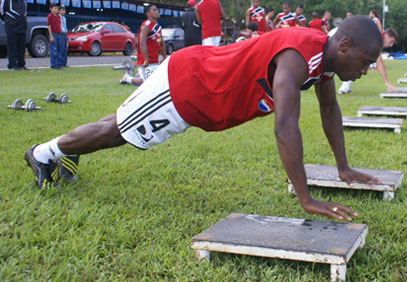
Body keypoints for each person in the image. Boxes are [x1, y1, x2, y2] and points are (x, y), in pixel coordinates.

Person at [24, 16, 383, 221]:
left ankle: (63, 152)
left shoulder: (322, 61)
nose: (366, 70)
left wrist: (343, 167)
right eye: (366, 62)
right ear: (345, 45)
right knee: (115, 131)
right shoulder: (298, 54)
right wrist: (306, 199)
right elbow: (285, 126)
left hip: (198, 92)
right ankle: (43, 153)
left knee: (118, 125)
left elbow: (328, 109)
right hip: (186, 87)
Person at [338, 27, 398, 94]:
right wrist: (386, 82)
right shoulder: (377, 39)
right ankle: (343, 88)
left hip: (345, 39)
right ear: (386, 35)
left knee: (357, 66)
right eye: (391, 41)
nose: (391, 45)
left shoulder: (377, 38)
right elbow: (380, 63)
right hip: (340, 37)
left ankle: (344, 87)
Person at [120, 5, 166, 85]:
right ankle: (127, 78)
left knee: (158, 81)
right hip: (145, 61)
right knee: (147, 83)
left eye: (157, 9)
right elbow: (142, 43)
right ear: (148, 14)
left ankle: (138, 76)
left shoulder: (158, 26)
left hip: (154, 61)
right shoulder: (146, 26)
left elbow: (161, 42)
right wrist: (146, 59)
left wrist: (164, 56)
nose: (157, 11)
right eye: (154, 10)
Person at [0, 0, 28, 70]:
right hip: (11, 26)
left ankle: (21, 64)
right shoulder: (6, 1)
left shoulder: (23, 1)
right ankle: (12, 65)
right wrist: (8, 20)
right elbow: (1, 11)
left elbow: (25, 12)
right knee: (12, 46)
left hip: (22, 26)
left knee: (21, 47)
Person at [46, 3, 62, 70]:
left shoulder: (58, 16)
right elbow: (49, 27)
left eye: (57, 8)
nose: (56, 9)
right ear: (51, 9)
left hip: (59, 34)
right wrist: (51, 36)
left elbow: (59, 24)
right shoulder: (50, 16)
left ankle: (58, 64)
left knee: (58, 50)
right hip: (53, 34)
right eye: (54, 8)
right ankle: (53, 65)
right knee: (53, 50)